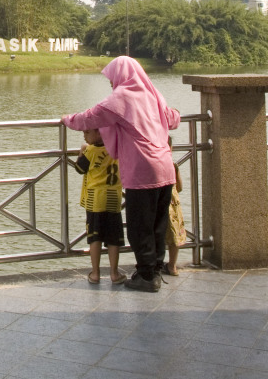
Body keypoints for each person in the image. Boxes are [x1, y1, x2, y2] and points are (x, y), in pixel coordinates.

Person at [61, 56, 180, 292]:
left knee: (139, 226)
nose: (111, 84)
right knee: (158, 224)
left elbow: (90, 117)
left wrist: (67, 119)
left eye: (112, 78)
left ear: (122, 76)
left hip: (142, 170)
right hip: (165, 168)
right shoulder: (153, 94)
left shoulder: (121, 98)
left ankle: (146, 276)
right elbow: (172, 118)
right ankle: (154, 269)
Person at [74, 128, 127, 285]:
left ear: (98, 133)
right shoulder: (117, 148)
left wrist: (81, 151)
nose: (84, 135)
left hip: (94, 199)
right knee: (113, 238)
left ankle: (95, 273)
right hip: (113, 198)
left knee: (95, 236)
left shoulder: (91, 150)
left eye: (87, 133)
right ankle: (114, 273)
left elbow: (79, 169)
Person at [166, 138, 186, 276]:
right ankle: (172, 265)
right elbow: (179, 187)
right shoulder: (173, 165)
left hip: (161, 204)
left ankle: (156, 263)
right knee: (175, 235)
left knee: (159, 234)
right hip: (173, 205)